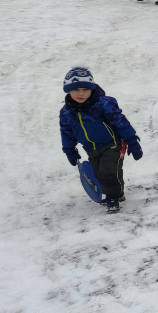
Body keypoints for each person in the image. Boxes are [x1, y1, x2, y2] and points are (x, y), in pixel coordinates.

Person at [60, 64, 142, 213]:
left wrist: (132, 141)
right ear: (68, 90)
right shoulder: (66, 113)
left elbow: (120, 122)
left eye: (85, 89)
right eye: (76, 90)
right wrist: (69, 150)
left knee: (107, 172)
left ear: (92, 89)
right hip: (91, 149)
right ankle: (118, 193)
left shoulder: (103, 104)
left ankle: (112, 197)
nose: (81, 93)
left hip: (112, 144)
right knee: (99, 174)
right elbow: (66, 132)